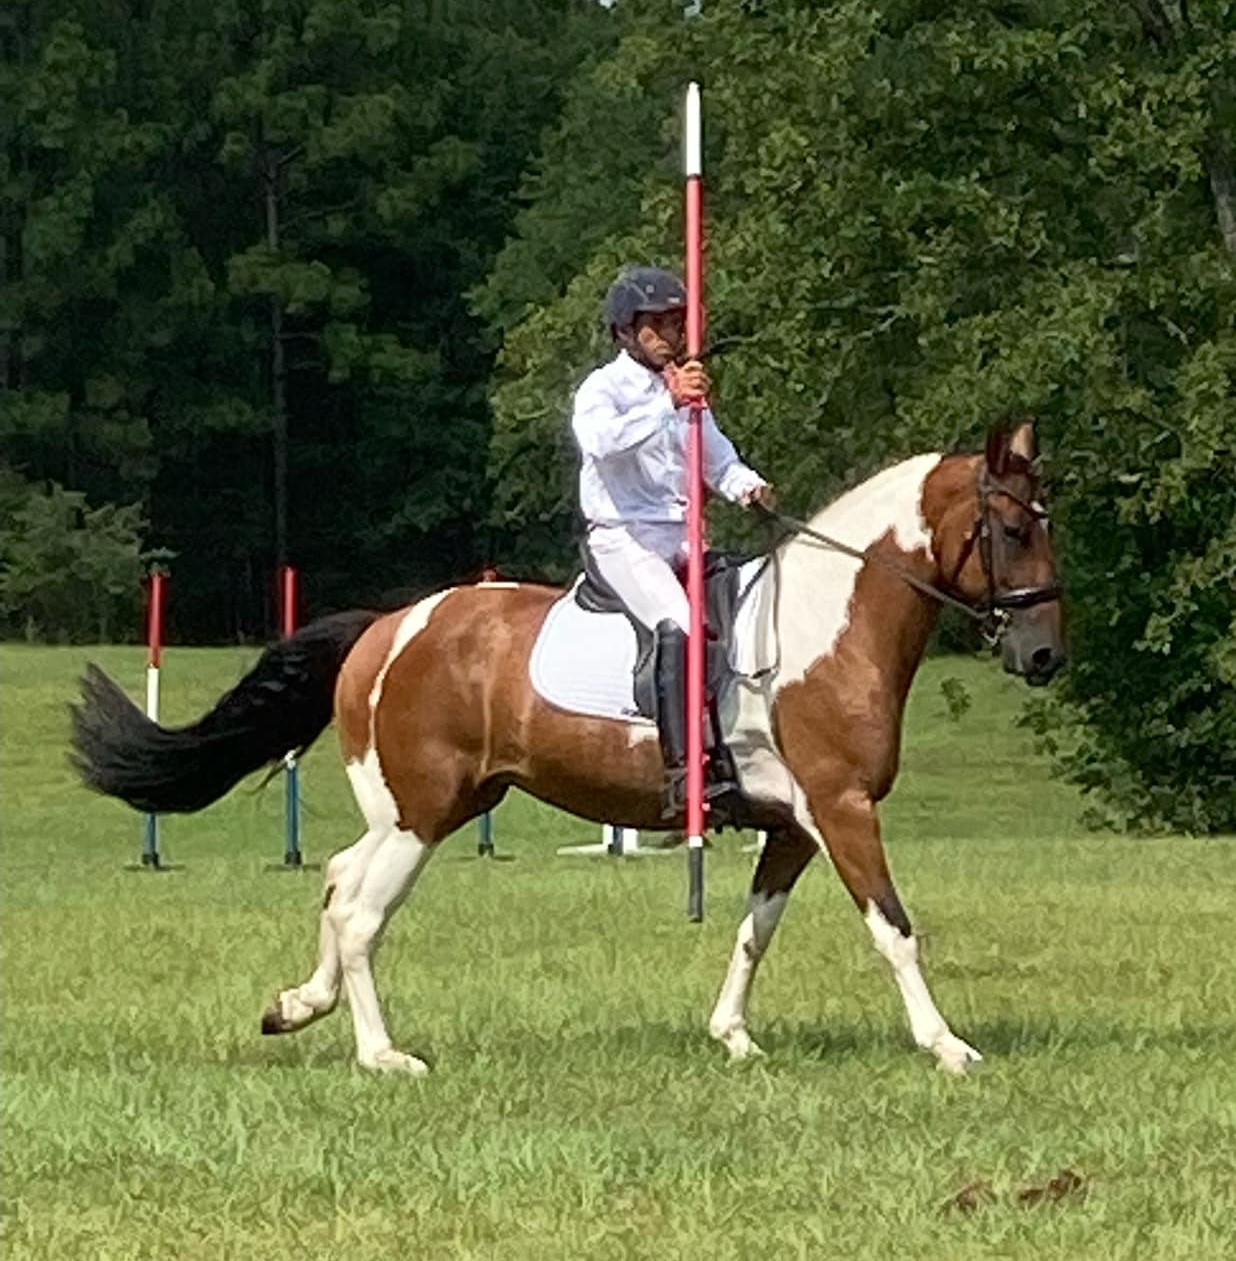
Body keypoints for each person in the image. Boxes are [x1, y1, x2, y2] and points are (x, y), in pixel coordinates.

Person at [571, 265, 774, 817]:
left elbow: (718, 460)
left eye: (674, 321)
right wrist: (670, 404)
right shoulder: (603, 389)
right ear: (624, 332)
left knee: (744, 613)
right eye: (654, 324)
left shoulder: (687, 385)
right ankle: (684, 770)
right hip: (622, 536)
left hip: (684, 538)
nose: (668, 333)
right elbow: (601, 444)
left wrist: (750, 489)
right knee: (680, 624)